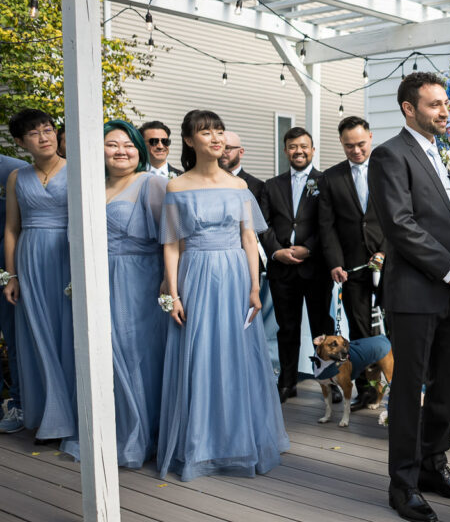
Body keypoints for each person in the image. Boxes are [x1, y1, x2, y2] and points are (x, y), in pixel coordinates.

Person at [367, 72, 450, 522]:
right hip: (415, 293)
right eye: (434, 104)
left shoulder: (445, 155)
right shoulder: (389, 155)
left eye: (444, 103)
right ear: (408, 108)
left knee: (448, 384)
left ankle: (434, 466)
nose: (444, 110)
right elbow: (399, 224)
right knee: (408, 388)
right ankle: (403, 484)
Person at [158, 109, 288, 481]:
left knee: (237, 355)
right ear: (189, 140)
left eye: (219, 131)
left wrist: (254, 287)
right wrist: (174, 295)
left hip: (234, 276)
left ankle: (239, 441)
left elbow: (249, 239)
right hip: (195, 275)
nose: (216, 138)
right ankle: (201, 445)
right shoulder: (176, 187)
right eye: (206, 132)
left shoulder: (239, 186)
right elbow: (172, 245)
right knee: (199, 355)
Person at [62, 120, 167, 467]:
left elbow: (170, 239)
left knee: (134, 353)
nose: (121, 151)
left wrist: (169, 284)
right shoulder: (91, 185)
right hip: (97, 278)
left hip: (139, 280)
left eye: (129, 144)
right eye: (112, 144)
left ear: (139, 150)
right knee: (100, 353)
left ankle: (139, 434)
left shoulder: (151, 183)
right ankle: (107, 429)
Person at [2, 109, 76, 443]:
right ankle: (50, 417)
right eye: (34, 133)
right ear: (20, 142)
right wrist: (11, 275)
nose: (44, 137)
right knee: (37, 336)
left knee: (68, 333)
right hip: (30, 259)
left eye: (48, 129)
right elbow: (11, 229)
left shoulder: (77, 170)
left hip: (67, 256)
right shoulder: (17, 177)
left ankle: (75, 414)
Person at [318, 116, 386, 411]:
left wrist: (385, 251)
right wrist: (335, 262)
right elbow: (327, 226)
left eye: (360, 144)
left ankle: (400, 386)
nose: (356, 151)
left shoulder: (389, 169)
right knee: (359, 331)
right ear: (341, 144)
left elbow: (400, 215)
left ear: (370, 137)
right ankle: (367, 391)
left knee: (395, 326)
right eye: (349, 146)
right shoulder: (330, 178)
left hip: (389, 260)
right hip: (352, 267)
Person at [260, 126, 332, 403]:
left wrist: (309, 249)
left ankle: (328, 381)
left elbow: (329, 222)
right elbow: (263, 224)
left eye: (303, 146)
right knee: (287, 328)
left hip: (316, 268)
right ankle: (287, 382)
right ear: (285, 150)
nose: (298, 151)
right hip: (282, 269)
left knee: (321, 328)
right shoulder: (271, 185)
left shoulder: (326, 181)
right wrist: (276, 252)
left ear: (312, 150)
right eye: (292, 146)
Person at [0, 151, 29, 434]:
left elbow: (15, 226)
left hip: (8, 267)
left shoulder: (16, 170)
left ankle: (19, 403)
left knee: (14, 337)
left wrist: (12, 274)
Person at [220, 130, 265, 204]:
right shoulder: (207, 182)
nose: (222, 152)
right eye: (219, 148)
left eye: (227, 148)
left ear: (241, 152)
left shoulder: (258, 186)